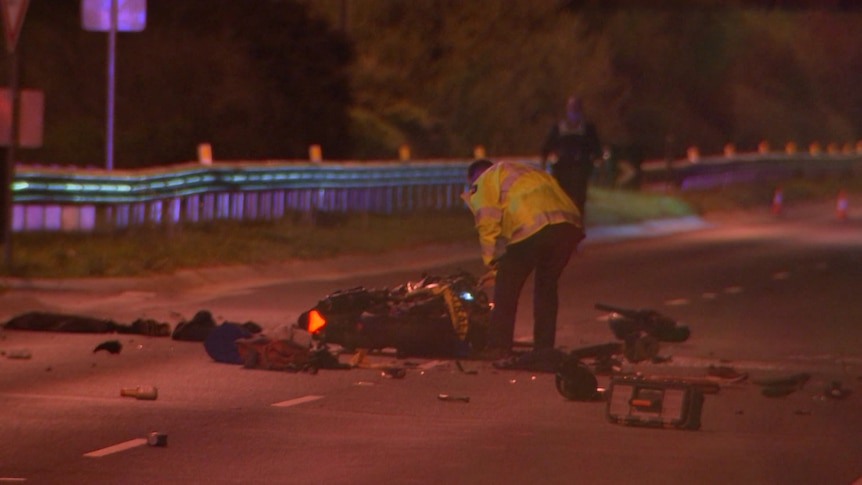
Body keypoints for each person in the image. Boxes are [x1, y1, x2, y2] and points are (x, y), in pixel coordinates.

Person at [462, 158, 584, 371]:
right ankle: (544, 347)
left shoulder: (484, 182)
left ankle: (499, 345)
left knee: (506, 286)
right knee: (546, 288)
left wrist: (493, 265)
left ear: (474, 178)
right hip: (569, 225)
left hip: (533, 227)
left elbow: (488, 226)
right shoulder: (522, 171)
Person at [540, 95, 602, 220]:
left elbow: (596, 148)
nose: (573, 110)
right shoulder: (559, 127)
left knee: (579, 198)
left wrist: (595, 163)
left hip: (580, 168)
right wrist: (545, 162)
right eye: (571, 107)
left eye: (575, 107)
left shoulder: (587, 128)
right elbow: (546, 146)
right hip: (562, 167)